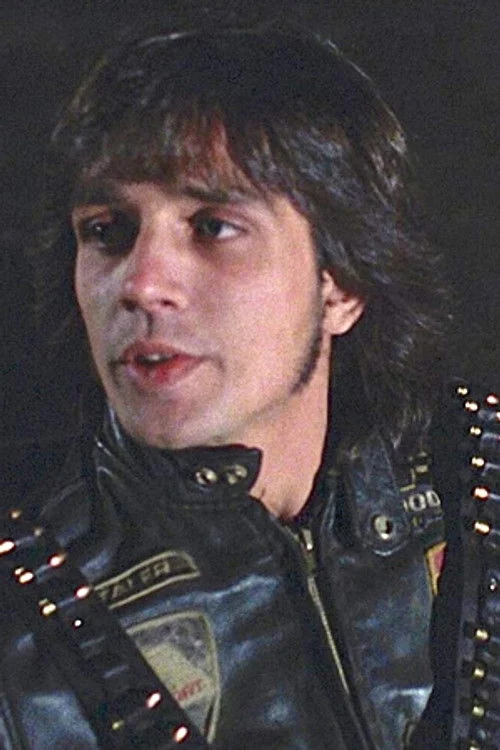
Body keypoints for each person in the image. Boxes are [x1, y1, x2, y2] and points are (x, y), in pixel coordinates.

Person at [0, 19, 452, 749]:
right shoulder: (20, 629)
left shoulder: (470, 497)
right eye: (107, 231)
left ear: (341, 284)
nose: (142, 284)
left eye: (213, 227)